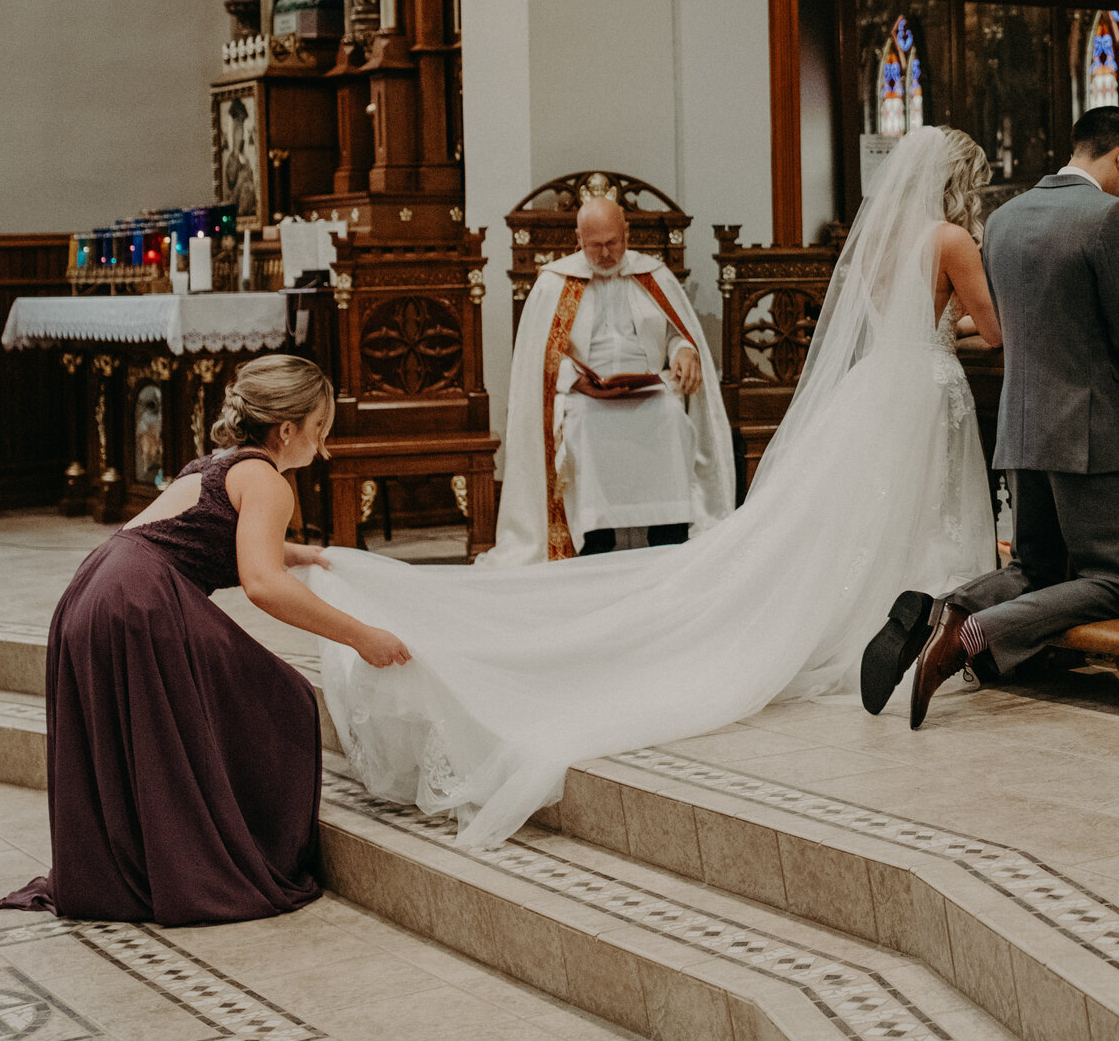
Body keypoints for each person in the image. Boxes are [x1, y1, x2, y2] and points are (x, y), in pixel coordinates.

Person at [308, 127, 1001, 845]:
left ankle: (896, 611)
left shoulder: (881, 239)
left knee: (868, 510)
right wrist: (960, 329)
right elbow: (992, 329)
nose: (604, 254)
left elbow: (846, 322)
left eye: (612, 242)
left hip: (876, 387)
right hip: (924, 383)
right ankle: (931, 614)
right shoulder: (952, 238)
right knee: (916, 504)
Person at [1, 357, 410, 925]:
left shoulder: (223, 463)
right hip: (139, 601)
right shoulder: (269, 480)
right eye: (321, 430)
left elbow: (206, 530)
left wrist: (307, 553)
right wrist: (361, 635)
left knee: (173, 716)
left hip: (100, 586)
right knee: (285, 697)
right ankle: (225, 857)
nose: (324, 446)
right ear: (287, 430)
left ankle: (156, 857)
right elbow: (262, 583)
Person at [863, 105, 1119, 728]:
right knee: (1113, 582)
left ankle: (932, 610)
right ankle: (966, 637)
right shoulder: (1111, 216)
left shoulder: (1005, 219)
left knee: (1032, 568)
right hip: (1089, 431)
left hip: (1021, 424)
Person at [485, 195, 732, 563]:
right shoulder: (555, 282)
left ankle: (670, 532)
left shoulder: (654, 275)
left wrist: (683, 351)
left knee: (670, 416)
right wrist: (575, 380)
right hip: (585, 394)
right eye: (595, 245)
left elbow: (676, 333)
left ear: (627, 233)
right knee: (583, 424)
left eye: (612, 243)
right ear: (578, 239)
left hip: (649, 386)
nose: (604, 254)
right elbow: (542, 357)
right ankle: (596, 539)